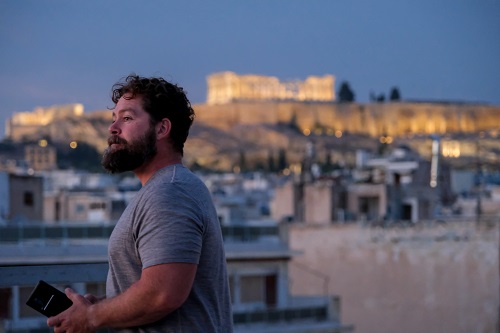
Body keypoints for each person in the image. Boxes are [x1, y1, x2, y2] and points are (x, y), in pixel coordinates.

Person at [47, 74, 233, 332]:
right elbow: (156, 287)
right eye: (114, 119)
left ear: (161, 129)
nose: (113, 129)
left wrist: (91, 317)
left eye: (127, 118)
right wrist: (103, 306)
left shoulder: (170, 193)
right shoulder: (167, 189)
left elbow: (162, 294)